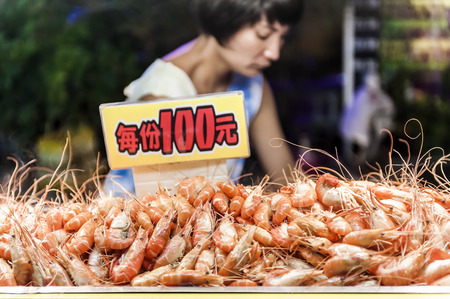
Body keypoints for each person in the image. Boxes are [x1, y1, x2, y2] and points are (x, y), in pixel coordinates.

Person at [104, 0, 304, 196]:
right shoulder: (161, 90)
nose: (274, 52)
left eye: (283, 37)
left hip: (211, 220)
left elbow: (287, 179)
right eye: (263, 35)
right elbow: (175, 207)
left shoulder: (253, 85)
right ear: (224, 18)